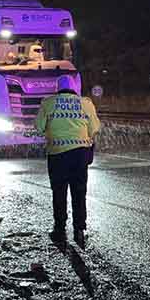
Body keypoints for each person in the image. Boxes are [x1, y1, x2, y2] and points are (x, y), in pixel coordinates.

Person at [35, 75, 101, 248]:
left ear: (57, 88)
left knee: (59, 192)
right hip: (80, 155)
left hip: (57, 155)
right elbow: (94, 129)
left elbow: (39, 127)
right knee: (79, 192)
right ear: (74, 88)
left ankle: (59, 229)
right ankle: (79, 229)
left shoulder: (48, 103)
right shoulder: (86, 103)